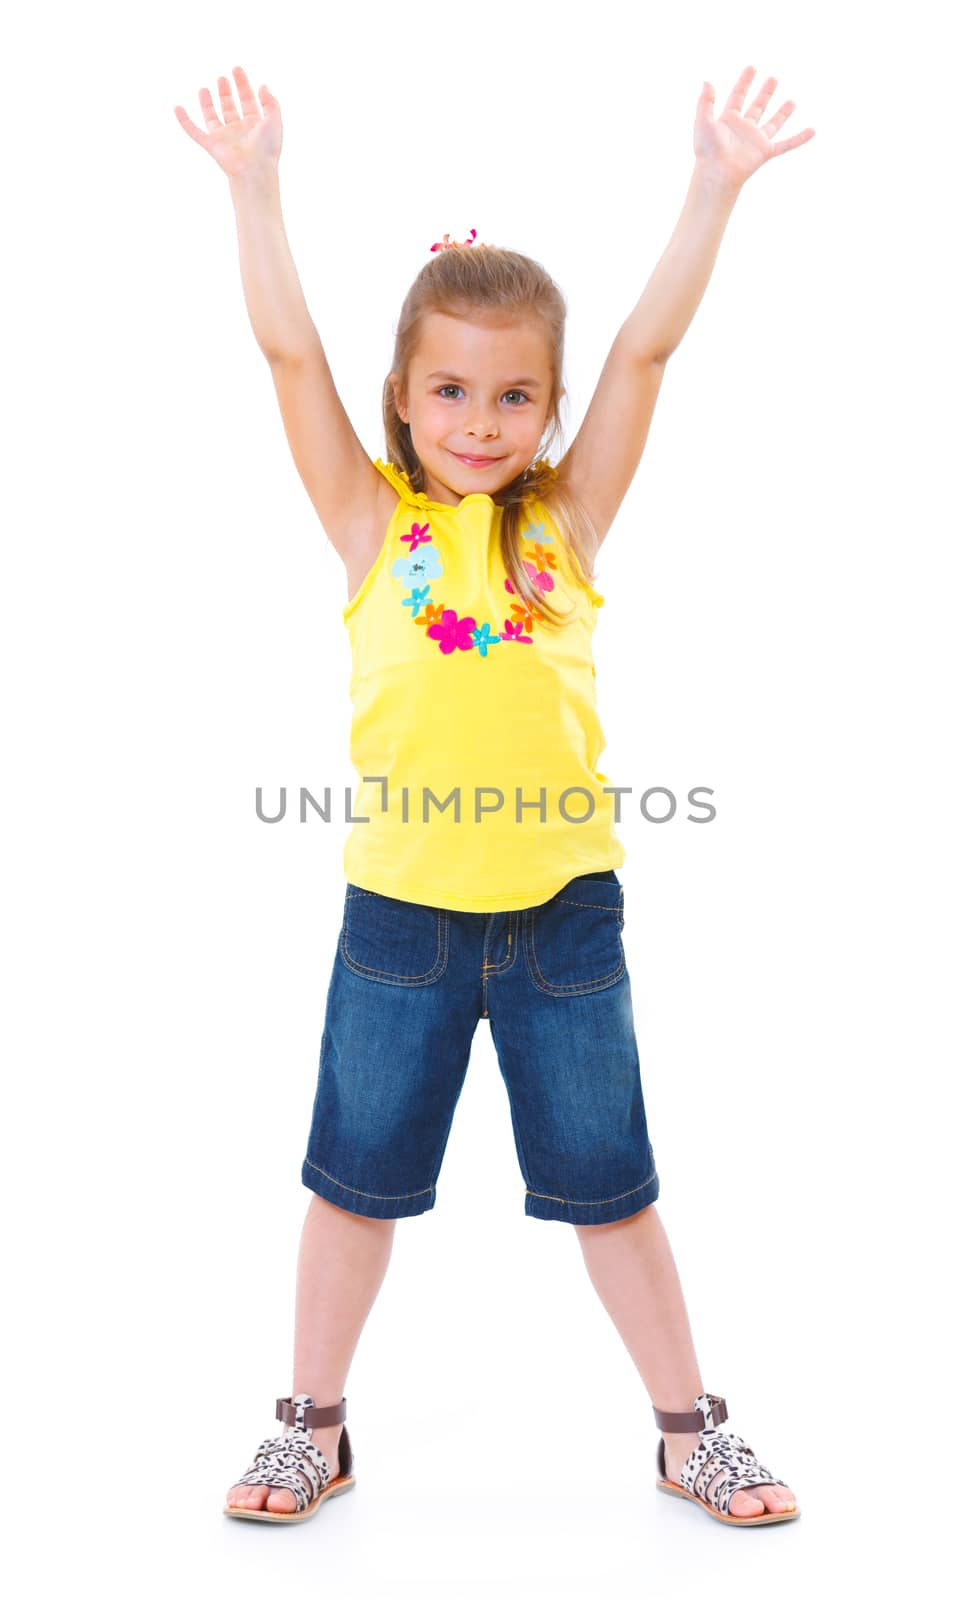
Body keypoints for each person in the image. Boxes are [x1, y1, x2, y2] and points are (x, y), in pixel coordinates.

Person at [174, 60, 814, 1528]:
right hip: (399, 915)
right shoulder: (366, 518)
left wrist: (712, 189)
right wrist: (255, 185)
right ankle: (310, 1425)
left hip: (563, 923)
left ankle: (686, 1428)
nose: (481, 418)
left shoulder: (568, 523)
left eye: (514, 393)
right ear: (402, 398)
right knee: (352, 1187)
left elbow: (646, 357)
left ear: (546, 407)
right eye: (450, 390)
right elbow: (288, 360)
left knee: (614, 1188)